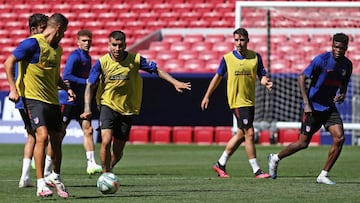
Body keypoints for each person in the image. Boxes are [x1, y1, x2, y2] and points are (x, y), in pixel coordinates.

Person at [80, 30, 191, 173]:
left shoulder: (135, 60)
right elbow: (90, 85)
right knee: (106, 141)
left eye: (120, 45)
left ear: (125, 44)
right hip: (107, 105)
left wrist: (175, 82)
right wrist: (87, 108)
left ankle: (110, 167)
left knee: (118, 151)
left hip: (127, 109)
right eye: (114, 45)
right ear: (109, 45)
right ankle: (105, 173)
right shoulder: (102, 63)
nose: (117, 49)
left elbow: (156, 70)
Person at [4, 13, 74, 198]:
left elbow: (55, 75)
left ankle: (55, 177)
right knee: (41, 136)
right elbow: (8, 62)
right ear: (58, 29)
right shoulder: (32, 43)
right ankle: (40, 183)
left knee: (57, 138)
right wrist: (13, 88)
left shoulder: (57, 49)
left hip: (52, 99)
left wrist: (66, 88)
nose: (64, 35)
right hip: (33, 98)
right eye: (64, 31)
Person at [268, 33, 352, 184]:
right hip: (312, 108)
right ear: (332, 45)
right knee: (302, 143)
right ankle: (275, 158)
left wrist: (343, 93)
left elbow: (344, 82)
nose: (338, 50)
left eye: (341, 47)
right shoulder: (321, 60)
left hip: (329, 108)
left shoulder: (347, 65)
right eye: (335, 46)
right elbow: (301, 78)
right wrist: (306, 103)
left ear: (346, 48)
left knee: (339, 138)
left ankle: (323, 175)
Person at [201, 28, 272, 178]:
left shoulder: (255, 57)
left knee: (241, 134)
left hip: (249, 101)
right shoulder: (227, 59)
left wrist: (266, 82)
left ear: (247, 40)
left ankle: (220, 163)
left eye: (242, 40)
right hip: (237, 101)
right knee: (250, 133)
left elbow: (262, 75)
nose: (239, 43)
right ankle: (256, 170)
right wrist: (207, 95)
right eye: (236, 40)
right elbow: (217, 78)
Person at [55, 29, 102, 175]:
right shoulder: (75, 56)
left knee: (88, 130)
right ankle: (48, 161)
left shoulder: (88, 58)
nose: (87, 43)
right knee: (60, 133)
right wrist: (86, 81)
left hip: (82, 101)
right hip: (69, 101)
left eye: (89, 41)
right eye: (84, 41)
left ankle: (91, 163)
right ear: (78, 41)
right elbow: (67, 75)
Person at [17, 13, 48, 188]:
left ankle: (26, 177)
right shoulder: (29, 46)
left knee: (32, 136)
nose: (45, 33)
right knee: (40, 136)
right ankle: (42, 176)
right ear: (33, 30)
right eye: (43, 29)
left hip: (26, 97)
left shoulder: (32, 47)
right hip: (28, 97)